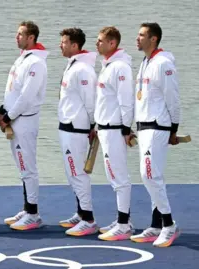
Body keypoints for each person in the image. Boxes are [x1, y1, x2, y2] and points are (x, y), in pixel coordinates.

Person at [129, 22, 181, 247]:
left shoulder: (163, 64)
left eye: (142, 35)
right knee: (153, 176)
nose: (137, 38)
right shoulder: (145, 62)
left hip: (158, 127)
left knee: (149, 175)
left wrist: (174, 127)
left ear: (154, 39)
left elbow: (173, 98)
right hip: (144, 128)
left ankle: (169, 225)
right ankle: (156, 224)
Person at [0, 21, 48, 230]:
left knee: (28, 167)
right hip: (15, 119)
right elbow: (13, 90)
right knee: (22, 166)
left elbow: (27, 95)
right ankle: (27, 208)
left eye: (20, 35)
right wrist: (3, 109)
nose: (16, 37)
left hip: (25, 120)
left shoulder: (36, 62)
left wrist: (8, 116)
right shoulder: (23, 58)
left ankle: (33, 213)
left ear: (31, 37)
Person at [94, 26, 136, 240]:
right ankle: (123, 218)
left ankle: (123, 224)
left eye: (100, 40)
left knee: (119, 177)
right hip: (104, 129)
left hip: (115, 130)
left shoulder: (120, 67)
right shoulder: (108, 66)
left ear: (112, 43)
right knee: (113, 176)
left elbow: (126, 101)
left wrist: (126, 129)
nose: (96, 43)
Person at [57, 28, 98, 236]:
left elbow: (90, 101)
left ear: (75, 45)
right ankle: (81, 212)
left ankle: (89, 219)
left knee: (78, 173)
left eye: (64, 42)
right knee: (71, 173)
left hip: (77, 129)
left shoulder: (83, 69)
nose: (60, 45)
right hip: (67, 127)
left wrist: (92, 125)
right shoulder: (72, 64)